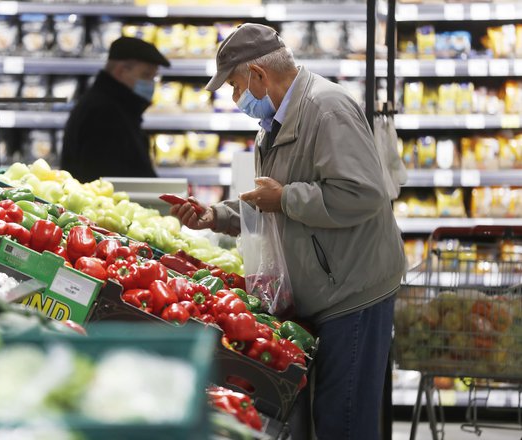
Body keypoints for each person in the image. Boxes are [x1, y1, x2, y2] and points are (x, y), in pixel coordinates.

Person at [170, 23, 406, 440]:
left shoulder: (326, 109)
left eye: (235, 85)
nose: (234, 97)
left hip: (353, 292)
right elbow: (272, 196)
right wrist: (218, 215)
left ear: (259, 74)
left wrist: (286, 199)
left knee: (344, 420)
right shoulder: (278, 120)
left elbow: (364, 194)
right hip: (325, 288)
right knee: (327, 414)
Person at [62, 36, 170, 182]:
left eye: (154, 77)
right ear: (121, 71)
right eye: (146, 75)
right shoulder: (104, 113)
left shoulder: (111, 104)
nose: (151, 84)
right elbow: (110, 179)